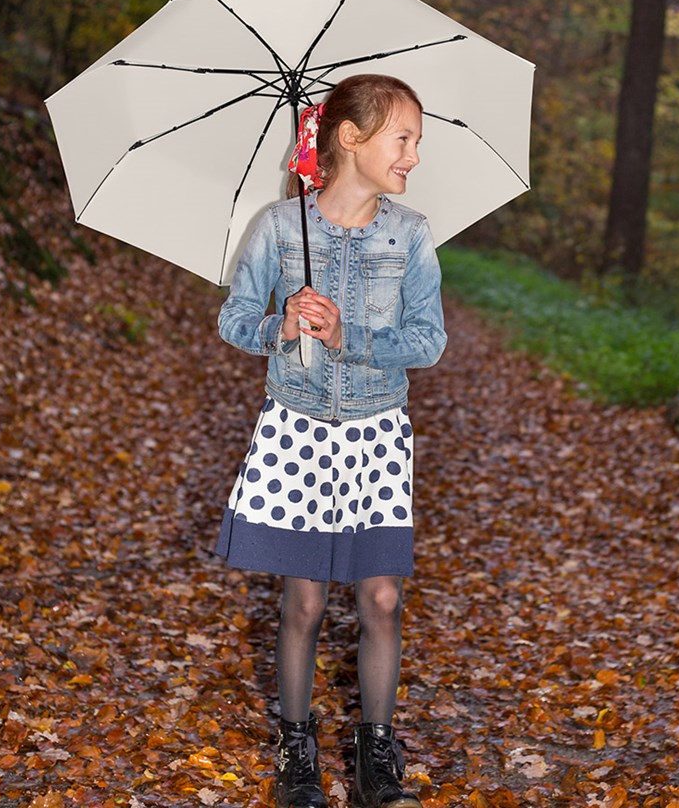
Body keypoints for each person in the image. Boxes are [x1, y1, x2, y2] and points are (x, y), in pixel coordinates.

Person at [215, 73, 446, 808]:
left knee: (380, 597)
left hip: (378, 431)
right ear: (352, 137)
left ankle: (376, 752)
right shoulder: (281, 229)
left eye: (416, 141)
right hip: (298, 429)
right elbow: (234, 319)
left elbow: (429, 340)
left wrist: (351, 337)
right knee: (305, 601)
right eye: (403, 137)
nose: (413, 154)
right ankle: (295, 749)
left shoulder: (410, 235)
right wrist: (278, 327)